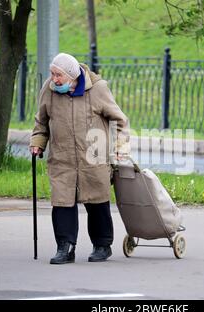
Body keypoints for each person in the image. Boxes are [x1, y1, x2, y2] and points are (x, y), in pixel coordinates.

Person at [29, 53, 130, 264]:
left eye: (59, 75)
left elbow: (120, 121)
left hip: (94, 157)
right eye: (52, 74)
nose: (54, 79)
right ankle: (65, 248)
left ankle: (102, 245)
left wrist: (120, 147)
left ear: (73, 76)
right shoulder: (49, 90)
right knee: (62, 202)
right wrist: (38, 143)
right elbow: (41, 122)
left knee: (97, 202)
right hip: (62, 157)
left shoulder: (98, 89)